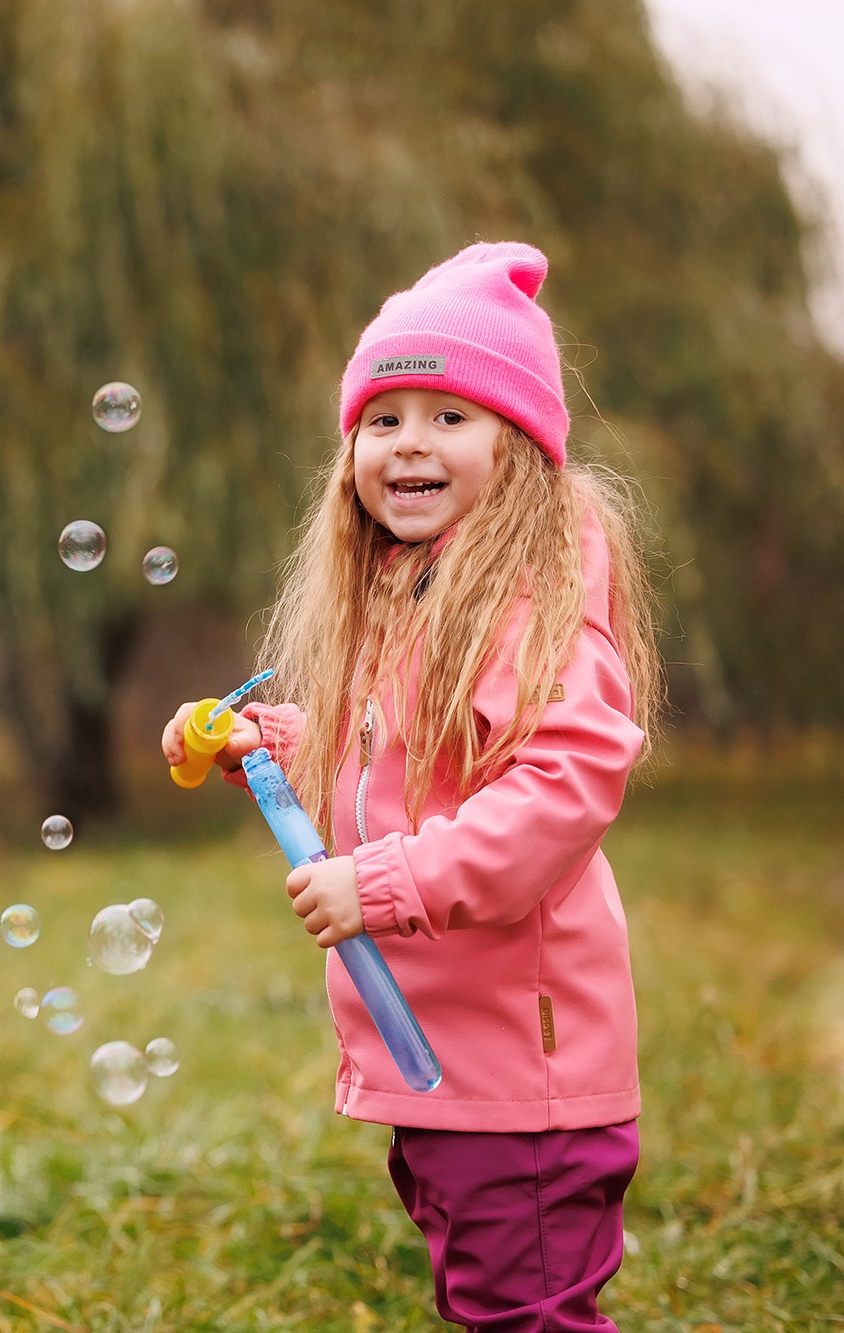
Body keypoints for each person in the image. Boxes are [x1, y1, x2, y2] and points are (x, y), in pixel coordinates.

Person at [161, 241, 665, 1332]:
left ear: (520, 445)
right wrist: (265, 740)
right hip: (453, 1066)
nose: (407, 445)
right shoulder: (406, 588)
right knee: (491, 1302)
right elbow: (395, 756)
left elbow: (565, 778)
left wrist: (379, 885)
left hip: (518, 1079)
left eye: (449, 416)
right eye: (382, 418)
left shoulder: (527, 601)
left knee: (522, 1312)